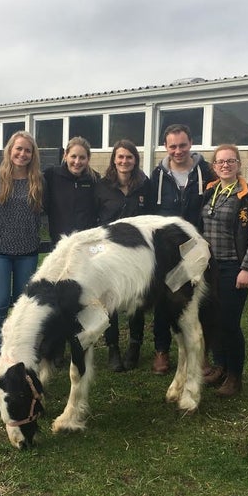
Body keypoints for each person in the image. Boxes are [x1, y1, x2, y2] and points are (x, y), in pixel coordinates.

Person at [199, 144, 248, 397]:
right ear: (214, 167)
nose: (225, 165)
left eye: (230, 161)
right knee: (212, 321)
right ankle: (220, 367)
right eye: (220, 162)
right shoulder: (210, 191)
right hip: (209, 268)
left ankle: (235, 377)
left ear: (239, 164)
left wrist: (246, 269)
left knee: (229, 324)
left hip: (233, 267)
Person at [150, 123, 215, 374]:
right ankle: (161, 351)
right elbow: (150, 214)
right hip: (165, 251)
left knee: (197, 300)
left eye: (183, 145)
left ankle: (200, 353)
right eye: (173, 146)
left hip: (195, 248)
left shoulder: (207, 173)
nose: (178, 151)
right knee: (163, 300)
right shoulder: (156, 177)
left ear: (191, 144)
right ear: (165, 147)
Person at [95, 139, 152, 371]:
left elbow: (151, 217)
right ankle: (113, 349)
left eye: (129, 157)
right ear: (114, 159)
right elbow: (94, 220)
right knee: (110, 301)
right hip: (108, 252)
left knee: (136, 300)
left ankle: (134, 347)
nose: (124, 161)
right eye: (120, 156)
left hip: (137, 252)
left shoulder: (144, 185)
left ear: (135, 160)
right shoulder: (102, 186)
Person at [43, 136, 100, 366]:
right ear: (65, 155)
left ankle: (80, 343)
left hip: (85, 251)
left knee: (81, 300)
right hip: (59, 249)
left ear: (88, 159)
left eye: (82, 157)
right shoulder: (51, 175)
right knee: (57, 300)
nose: (77, 161)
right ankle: (56, 348)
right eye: (73, 156)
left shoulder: (94, 181)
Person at [0, 130, 44, 354]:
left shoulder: (39, 181)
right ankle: (0, 352)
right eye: (18, 148)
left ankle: (20, 351)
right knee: (0, 304)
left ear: (33, 154)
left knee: (23, 307)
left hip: (28, 252)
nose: (22, 153)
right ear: (10, 150)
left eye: (27, 150)